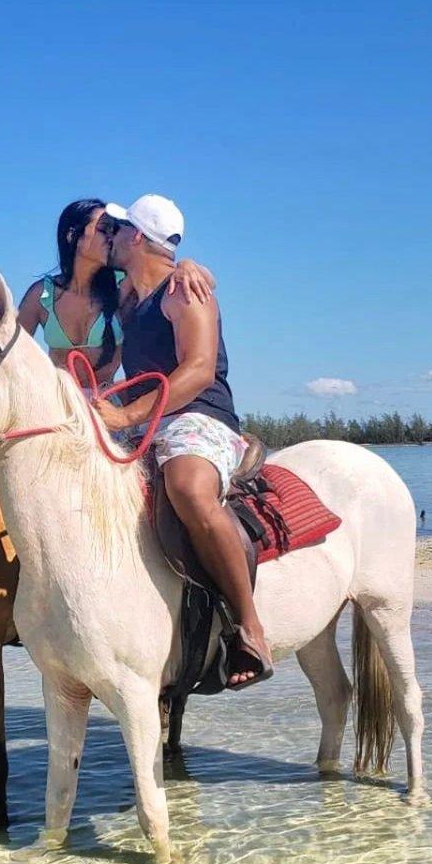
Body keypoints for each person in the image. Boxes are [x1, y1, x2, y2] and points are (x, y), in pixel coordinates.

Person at [92, 194, 272, 689]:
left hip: (197, 415)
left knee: (189, 489)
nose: (110, 235)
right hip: (144, 419)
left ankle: (249, 626)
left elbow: (197, 370)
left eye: (118, 228)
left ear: (138, 238)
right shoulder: (126, 294)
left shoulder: (185, 292)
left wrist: (125, 413)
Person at [17, 199, 214, 389]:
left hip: (104, 404)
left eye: (115, 230)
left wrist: (186, 265)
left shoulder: (125, 285)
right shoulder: (41, 294)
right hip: (57, 404)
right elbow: (10, 351)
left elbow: (205, 283)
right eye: (104, 230)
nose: (112, 238)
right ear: (72, 236)